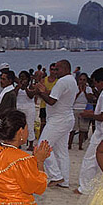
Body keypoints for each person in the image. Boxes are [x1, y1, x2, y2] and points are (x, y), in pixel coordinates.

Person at [36, 60, 77, 188]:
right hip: (66, 118)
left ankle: (56, 176)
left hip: (58, 120)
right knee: (61, 151)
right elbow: (56, 96)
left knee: (42, 146)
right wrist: (44, 91)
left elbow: (52, 101)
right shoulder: (71, 80)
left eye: (57, 69)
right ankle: (64, 180)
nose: (55, 72)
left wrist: (40, 93)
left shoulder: (63, 81)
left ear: (65, 69)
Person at [69, 73, 94, 150]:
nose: (82, 81)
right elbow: (72, 99)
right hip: (75, 108)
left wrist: (85, 92)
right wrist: (79, 92)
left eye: (84, 80)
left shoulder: (88, 89)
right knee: (73, 129)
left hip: (84, 109)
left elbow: (90, 99)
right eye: (80, 80)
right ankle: (69, 144)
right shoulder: (75, 88)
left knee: (82, 129)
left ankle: (80, 145)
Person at [14, 71, 36, 150]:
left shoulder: (31, 87)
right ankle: (18, 142)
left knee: (29, 126)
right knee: (18, 126)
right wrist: (19, 86)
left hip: (29, 108)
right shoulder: (17, 87)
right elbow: (14, 95)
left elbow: (30, 96)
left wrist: (25, 87)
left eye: (23, 77)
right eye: (20, 77)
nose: (22, 79)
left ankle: (30, 144)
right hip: (19, 107)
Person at [38, 63, 58, 136]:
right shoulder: (44, 80)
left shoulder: (58, 81)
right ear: (49, 70)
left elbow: (50, 92)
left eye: (55, 70)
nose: (53, 72)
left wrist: (45, 91)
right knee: (43, 123)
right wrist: (47, 92)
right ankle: (41, 138)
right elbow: (40, 90)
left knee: (52, 123)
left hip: (53, 105)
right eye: (52, 69)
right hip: (44, 104)